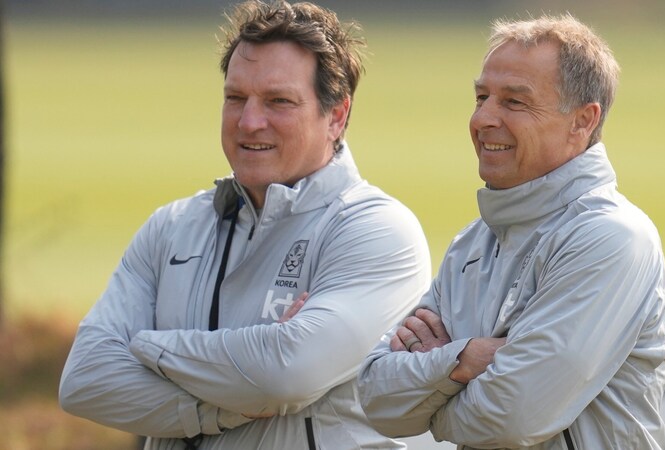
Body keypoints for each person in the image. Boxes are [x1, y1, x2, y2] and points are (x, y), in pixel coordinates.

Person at [59, 1, 431, 449]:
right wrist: (221, 407)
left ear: (336, 116)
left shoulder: (377, 230)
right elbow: (84, 380)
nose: (250, 122)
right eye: (236, 98)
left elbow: (287, 376)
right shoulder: (171, 227)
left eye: (279, 101)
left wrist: (146, 347)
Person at [358, 13, 665, 450]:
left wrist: (434, 398)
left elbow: (514, 418)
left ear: (582, 121)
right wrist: (465, 359)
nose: (482, 119)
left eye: (514, 102)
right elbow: (376, 397)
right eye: (481, 97)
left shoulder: (612, 236)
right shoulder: (471, 243)